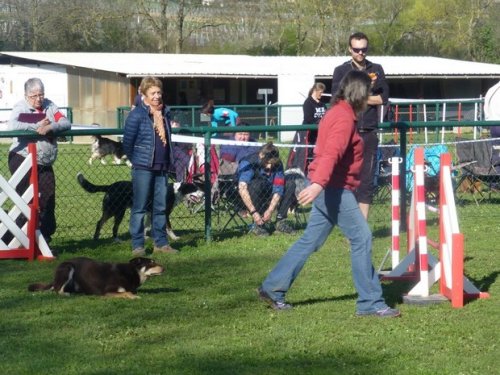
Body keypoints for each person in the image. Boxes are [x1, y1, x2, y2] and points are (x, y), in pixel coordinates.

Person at [258, 70, 401, 318]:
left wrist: (318, 184)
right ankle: (371, 302)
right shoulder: (344, 119)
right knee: (362, 238)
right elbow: (331, 153)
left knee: (309, 241)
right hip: (334, 189)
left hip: (328, 187)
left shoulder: (336, 113)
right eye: (368, 92)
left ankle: (273, 288)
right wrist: (319, 184)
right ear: (359, 93)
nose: (371, 97)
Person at [331, 32, 389, 219]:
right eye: (356, 50)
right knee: (347, 180)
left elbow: (383, 98)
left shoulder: (377, 69)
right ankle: (350, 225)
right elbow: (338, 99)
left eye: (364, 49)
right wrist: (368, 96)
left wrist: (356, 97)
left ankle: (361, 228)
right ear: (350, 49)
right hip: (348, 131)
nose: (360, 53)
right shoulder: (341, 71)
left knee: (366, 181)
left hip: (370, 131)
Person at [7, 77, 71, 244]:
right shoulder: (21, 107)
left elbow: (65, 122)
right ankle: (18, 239)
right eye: (34, 96)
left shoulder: (50, 106)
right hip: (21, 158)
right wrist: (36, 124)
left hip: (45, 162)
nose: (38, 99)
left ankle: (44, 239)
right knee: (25, 200)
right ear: (26, 95)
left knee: (48, 199)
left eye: (41, 94)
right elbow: (13, 125)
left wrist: (51, 127)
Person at [123, 76, 178, 256]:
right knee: (139, 207)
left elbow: (167, 140)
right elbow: (128, 143)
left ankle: (161, 243)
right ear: (144, 94)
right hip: (143, 167)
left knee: (161, 207)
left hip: (162, 167)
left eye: (159, 92)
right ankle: (137, 245)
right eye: (153, 93)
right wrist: (137, 160)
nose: (157, 96)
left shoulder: (165, 113)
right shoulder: (137, 114)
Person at [236, 142, 297, 236]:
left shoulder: (277, 163)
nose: (269, 167)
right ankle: (258, 224)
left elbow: (278, 188)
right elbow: (242, 188)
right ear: (261, 155)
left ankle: (280, 222)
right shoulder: (249, 162)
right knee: (256, 184)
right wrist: (254, 212)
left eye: (272, 164)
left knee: (290, 184)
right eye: (267, 163)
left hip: (270, 190)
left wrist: (270, 210)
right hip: (250, 195)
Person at [287, 82, 326, 175]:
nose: (322, 94)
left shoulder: (322, 105)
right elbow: (308, 119)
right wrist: (319, 122)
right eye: (320, 92)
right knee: (306, 153)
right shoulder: (308, 103)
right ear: (315, 91)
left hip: (319, 134)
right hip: (308, 134)